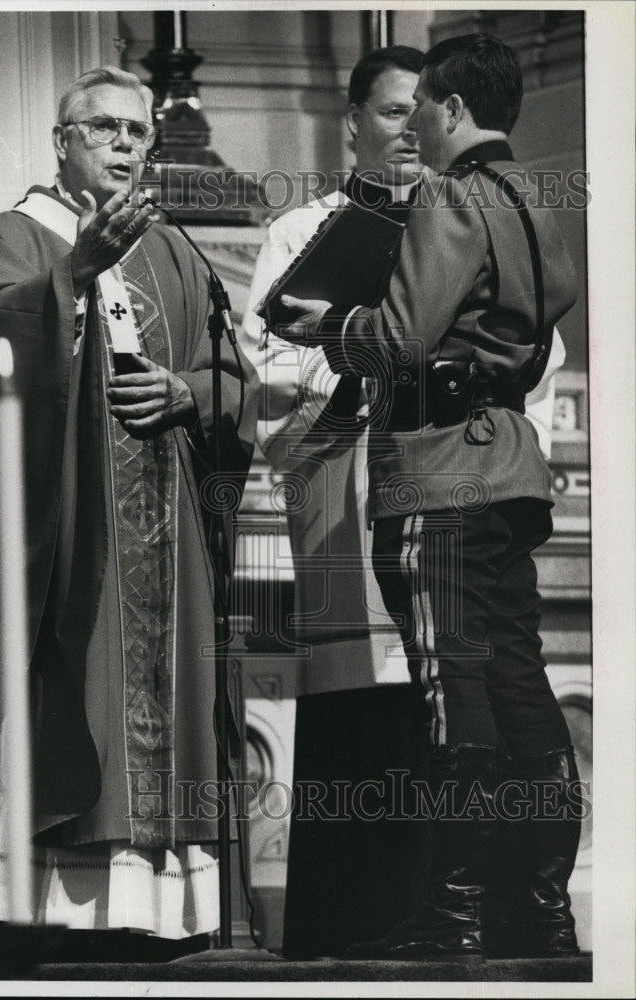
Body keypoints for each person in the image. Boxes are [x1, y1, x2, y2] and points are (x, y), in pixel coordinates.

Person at [0, 66, 258, 944]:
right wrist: (71, 276)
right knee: (71, 696)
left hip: (165, 532)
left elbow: (237, 379)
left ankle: (154, 912)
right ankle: (33, 910)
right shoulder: (11, 235)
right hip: (63, 538)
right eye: (103, 128)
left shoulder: (175, 251)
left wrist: (191, 393)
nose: (123, 144)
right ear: (63, 141)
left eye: (137, 132)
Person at [278, 34, 582, 962]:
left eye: (422, 110)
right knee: (522, 693)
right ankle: (541, 908)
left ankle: (457, 913)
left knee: (454, 694)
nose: (416, 126)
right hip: (510, 469)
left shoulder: (451, 194)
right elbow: (545, 312)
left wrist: (327, 323)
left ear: (451, 108)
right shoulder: (538, 195)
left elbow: (402, 341)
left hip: (440, 476)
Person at [240, 45, 565, 692]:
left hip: (455, 478)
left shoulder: (482, 214)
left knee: (467, 687)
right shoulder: (302, 231)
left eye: (421, 110)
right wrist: (368, 376)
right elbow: (268, 364)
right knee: (377, 713)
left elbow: (537, 354)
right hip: (343, 484)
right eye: (394, 111)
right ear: (354, 119)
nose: (411, 128)